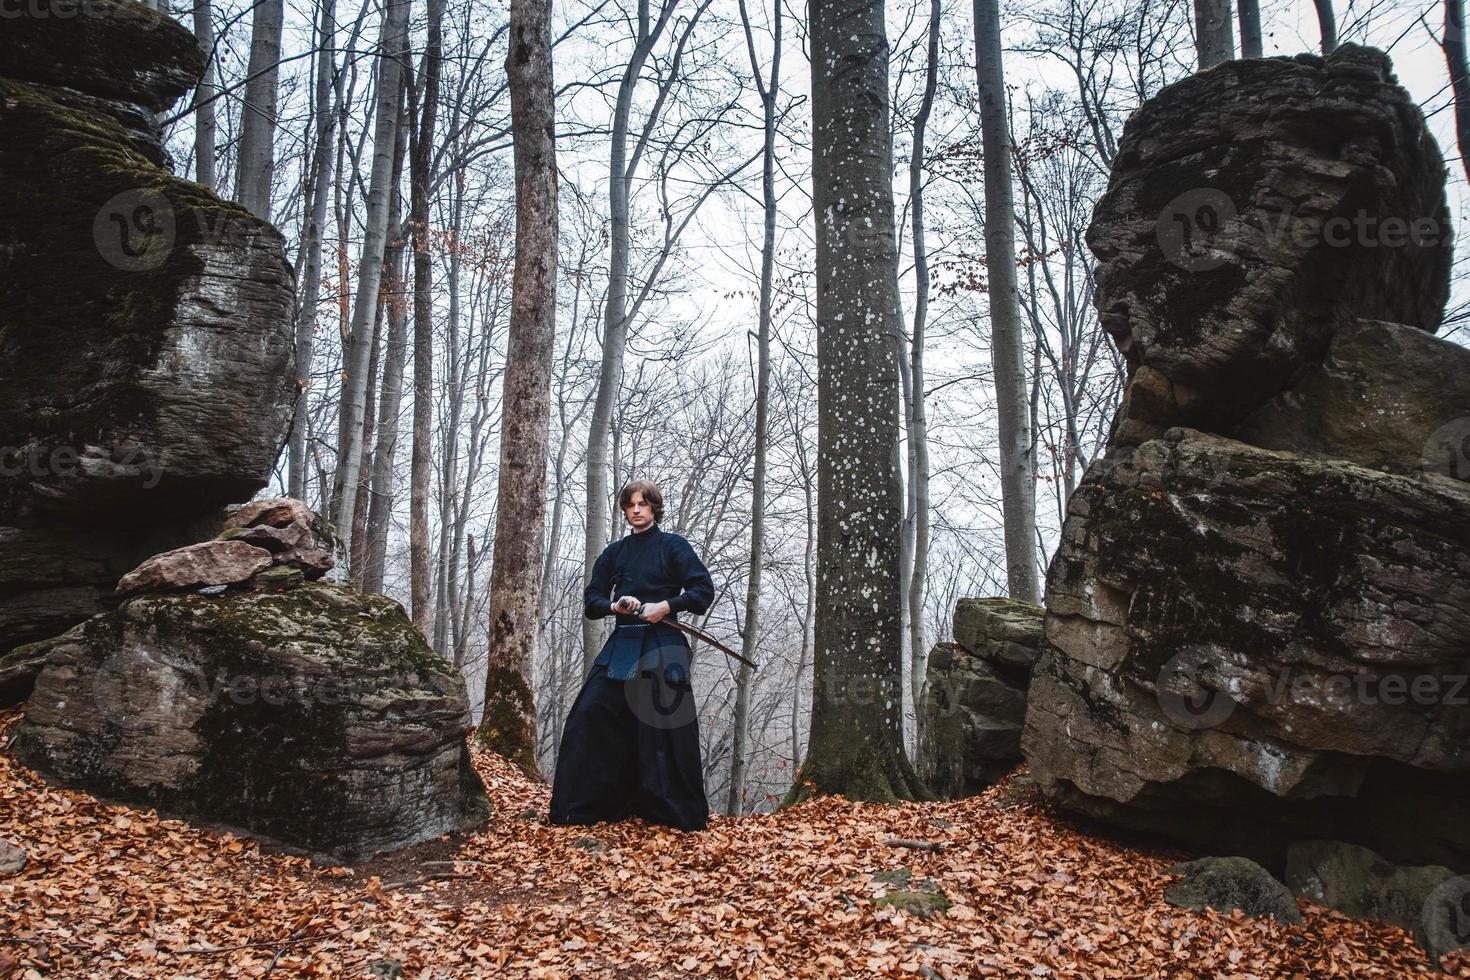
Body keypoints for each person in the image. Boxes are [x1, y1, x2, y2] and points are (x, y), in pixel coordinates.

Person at [547, 479, 716, 831]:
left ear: (654, 507)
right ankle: (585, 808)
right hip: (623, 644)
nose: (636, 509)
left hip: (663, 644)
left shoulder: (673, 547)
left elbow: (702, 590)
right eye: (630, 504)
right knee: (590, 715)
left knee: (660, 728)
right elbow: (593, 601)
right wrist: (616, 605)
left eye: (643, 503)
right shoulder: (614, 552)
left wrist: (666, 605)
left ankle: (670, 813)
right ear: (624, 509)